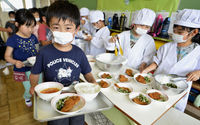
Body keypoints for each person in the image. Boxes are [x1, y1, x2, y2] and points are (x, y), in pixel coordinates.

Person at [29, 1, 96, 125]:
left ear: (76, 30)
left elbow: (88, 74)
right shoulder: (44, 53)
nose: (62, 32)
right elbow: (34, 74)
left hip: (76, 99)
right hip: (52, 100)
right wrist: (33, 86)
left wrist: (94, 84)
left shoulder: (79, 53)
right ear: (50, 28)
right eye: (56, 27)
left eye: (68, 28)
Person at [142, 9, 200, 112]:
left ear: (194, 32)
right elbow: (156, 62)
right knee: (151, 109)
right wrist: (145, 71)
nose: (176, 34)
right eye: (174, 31)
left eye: (180, 32)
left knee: (168, 115)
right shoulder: (167, 47)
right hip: (158, 85)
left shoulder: (198, 51)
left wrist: (198, 73)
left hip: (179, 90)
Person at [4, 9, 42, 107]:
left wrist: (40, 56)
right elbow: (7, 56)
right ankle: (27, 97)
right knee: (28, 87)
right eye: (27, 26)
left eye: (32, 26)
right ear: (17, 24)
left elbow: (38, 50)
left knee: (39, 85)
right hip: (23, 69)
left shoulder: (33, 37)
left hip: (36, 68)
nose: (30, 29)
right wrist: (15, 61)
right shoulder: (12, 39)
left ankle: (39, 98)